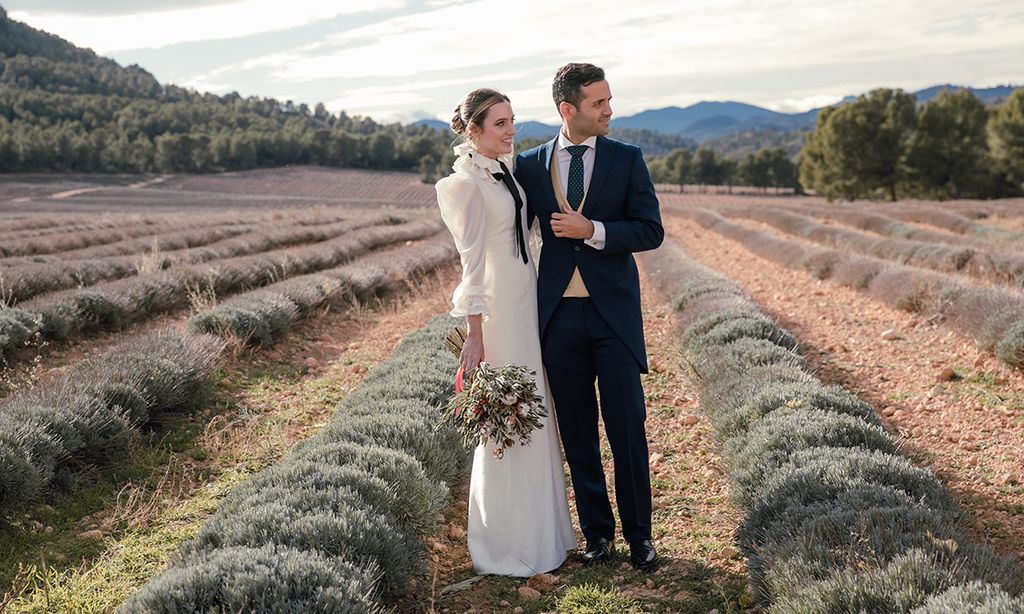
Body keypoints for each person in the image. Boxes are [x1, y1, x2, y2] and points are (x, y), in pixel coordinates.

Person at [514, 63, 664, 571]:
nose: (609, 110)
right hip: (558, 319)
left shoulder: (627, 159)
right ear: (568, 109)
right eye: (599, 103)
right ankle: (598, 536)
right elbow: (510, 234)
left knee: (627, 429)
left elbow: (650, 231)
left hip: (613, 319)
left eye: (608, 100)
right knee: (577, 434)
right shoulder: (531, 166)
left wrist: (593, 230)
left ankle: (640, 537)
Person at [435, 88, 576, 576]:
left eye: (512, 120)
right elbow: (470, 264)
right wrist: (475, 335)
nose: (511, 129)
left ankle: (544, 537)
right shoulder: (463, 186)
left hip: (525, 299)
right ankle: (505, 543)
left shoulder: (506, 171)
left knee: (534, 410)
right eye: (499, 123)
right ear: (473, 130)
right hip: (496, 311)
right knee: (509, 420)